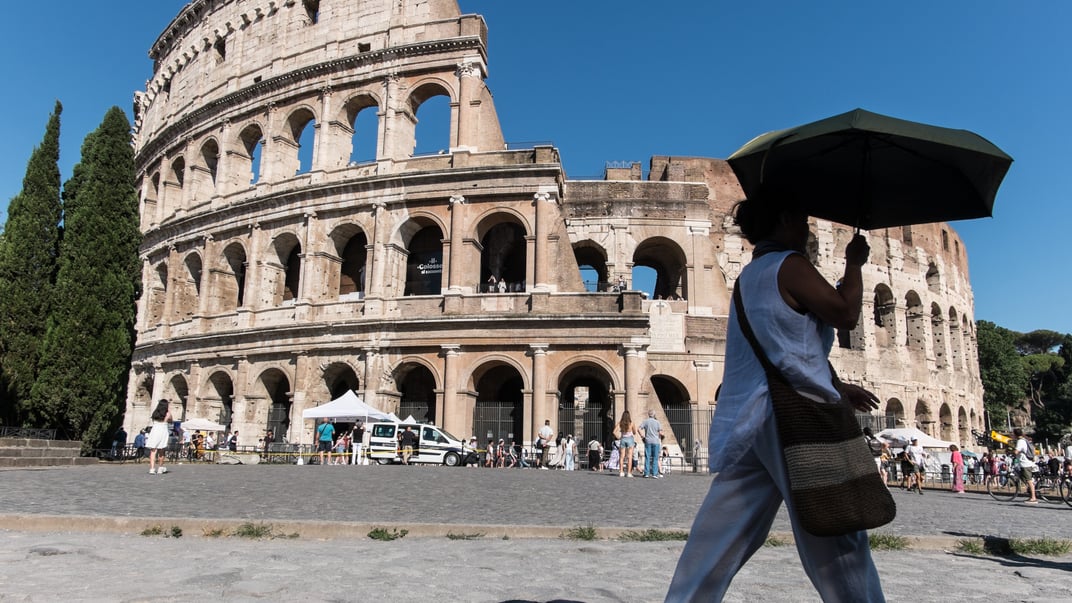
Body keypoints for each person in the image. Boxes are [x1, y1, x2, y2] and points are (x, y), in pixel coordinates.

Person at [666, 191, 884, 601]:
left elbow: (783, 346)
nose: (806, 229)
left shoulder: (751, 276)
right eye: (802, 220)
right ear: (784, 220)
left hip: (751, 418)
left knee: (719, 533)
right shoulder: (790, 265)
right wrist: (854, 263)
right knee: (836, 534)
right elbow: (845, 314)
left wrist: (839, 385)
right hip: (795, 417)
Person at [146, 400, 172, 475]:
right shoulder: (167, 413)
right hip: (163, 431)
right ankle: (160, 467)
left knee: (153, 451)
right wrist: (169, 411)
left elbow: (153, 420)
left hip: (155, 430)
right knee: (161, 450)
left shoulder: (155, 413)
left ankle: (152, 469)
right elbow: (171, 421)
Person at [1014, 427, 1038, 504]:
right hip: (1026, 462)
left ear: (1015, 435)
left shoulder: (1020, 441)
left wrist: (1012, 451)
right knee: (1025, 478)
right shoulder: (1024, 440)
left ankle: (1033, 498)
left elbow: (1016, 451)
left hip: (1025, 463)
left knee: (1029, 480)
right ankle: (1031, 494)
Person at [639, 409, 663, 478]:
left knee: (647, 457)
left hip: (648, 441)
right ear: (654, 415)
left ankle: (646, 473)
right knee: (655, 458)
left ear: (648, 414)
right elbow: (660, 432)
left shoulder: (645, 421)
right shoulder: (657, 422)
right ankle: (654, 474)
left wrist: (642, 436)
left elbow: (638, 429)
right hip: (656, 441)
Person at [614, 411, 638, 478]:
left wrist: (619, 437)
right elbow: (634, 432)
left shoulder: (620, 423)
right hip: (630, 439)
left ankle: (621, 472)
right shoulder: (631, 423)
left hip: (623, 439)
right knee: (629, 457)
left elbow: (614, 432)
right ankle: (629, 473)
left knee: (622, 457)